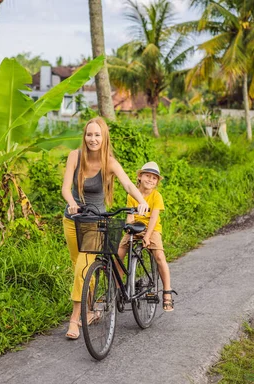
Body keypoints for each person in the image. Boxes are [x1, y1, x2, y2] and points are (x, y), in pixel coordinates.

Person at [62, 117, 149, 340]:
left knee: (84, 266)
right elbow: (65, 188)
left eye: (97, 135)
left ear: (104, 138)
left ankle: (74, 319)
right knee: (79, 269)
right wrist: (72, 202)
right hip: (73, 220)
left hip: (95, 222)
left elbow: (128, 184)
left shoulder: (109, 162)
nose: (93, 139)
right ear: (84, 136)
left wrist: (141, 200)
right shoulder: (75, 156)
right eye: (89, 134)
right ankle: (89, 310)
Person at [117, 161, 175, 312]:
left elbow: (154, 218)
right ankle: (116, 289)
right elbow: (130, 215)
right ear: (140, 177)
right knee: (119, 254)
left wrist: (148, 236)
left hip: (152, 229)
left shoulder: (157, 196)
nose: (150, 180)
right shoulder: (132, 194)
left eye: (154, 178)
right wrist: (129, 228)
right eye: (147, 176)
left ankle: (167, 293)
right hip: (135, 227)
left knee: (159, 256)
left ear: (157, 182)